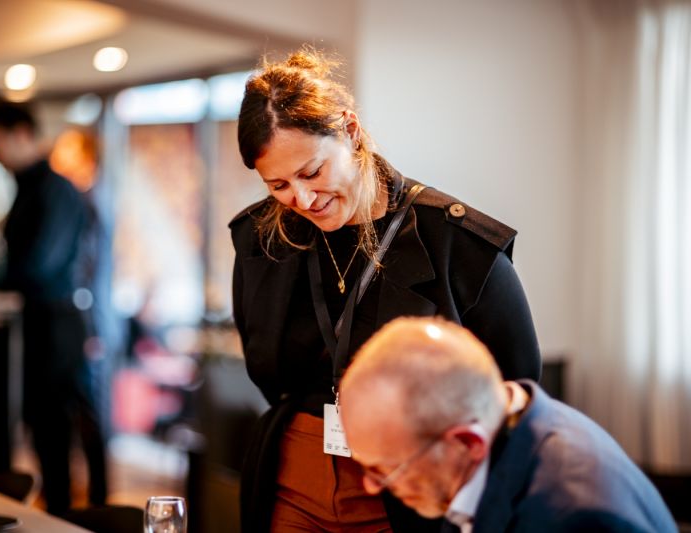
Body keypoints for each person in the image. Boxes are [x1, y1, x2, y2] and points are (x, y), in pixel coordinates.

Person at [230, 47, 541, 532]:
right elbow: (264, 363)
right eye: (278, 186)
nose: (302, 199)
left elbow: (517, 384)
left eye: (312, 172)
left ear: (350, 131)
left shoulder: (458, 244)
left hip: (412, 489)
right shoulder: (260, 239)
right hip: (293, 478)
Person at [340, 317, 676, 532]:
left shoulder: (572, 517)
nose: (371, 487)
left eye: (386, 469)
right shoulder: (514, 419)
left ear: (468, 443)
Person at [0, 100, 107, 515]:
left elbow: (40, 263)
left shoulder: (55, 189)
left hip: (57, 322)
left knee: (54, 427)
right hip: (41, 320)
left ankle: (67, 515)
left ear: (21, 134)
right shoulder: (29, 187)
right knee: (43, 425)